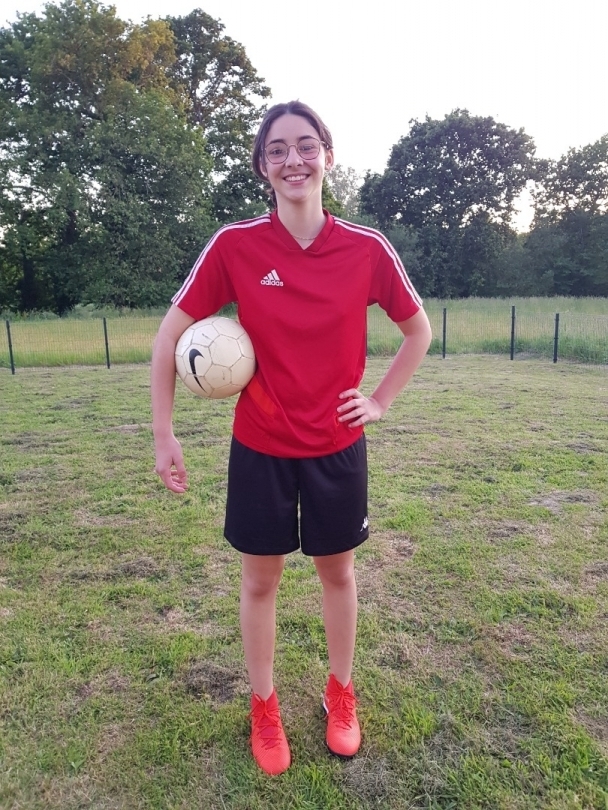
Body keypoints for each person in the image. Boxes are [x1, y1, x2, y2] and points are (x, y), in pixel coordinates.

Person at [151, 101, 432, 776]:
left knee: (338, 572)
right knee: (260, 581)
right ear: (262, 167)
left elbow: (417, 330)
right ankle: (264, 704)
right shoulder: (235, 246)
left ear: (328, 157)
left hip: (337, 445)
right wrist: (164, 432)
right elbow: (168, 337)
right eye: (277, 149)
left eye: (306, 145)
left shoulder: (366, 248)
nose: (293, 160)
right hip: (261, 447)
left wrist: (379, 401)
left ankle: (341, 692)